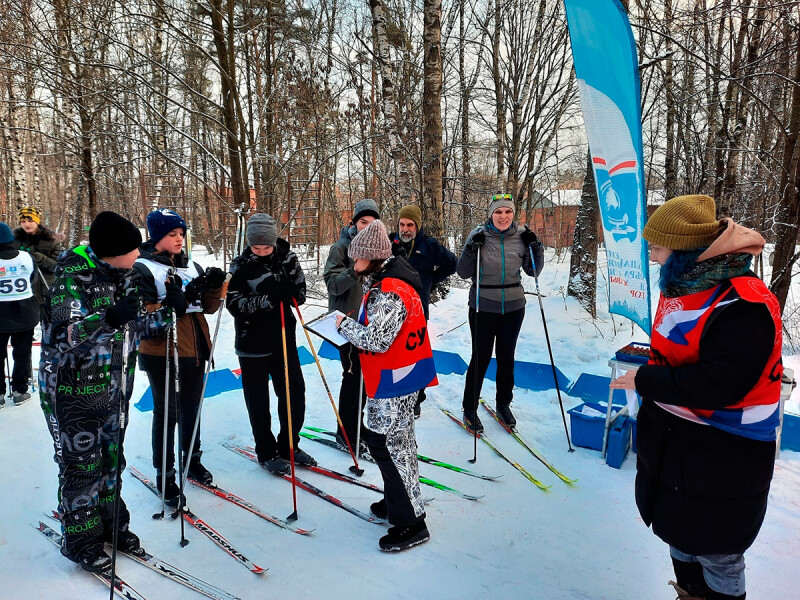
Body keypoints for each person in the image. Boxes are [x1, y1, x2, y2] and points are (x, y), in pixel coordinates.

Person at [610, 195, 782, 600]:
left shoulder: (742, 301)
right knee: (681, 535)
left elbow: (719, 384)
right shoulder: (688, 284)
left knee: (717, 551)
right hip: (676, 446)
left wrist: (646, 380)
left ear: (685, 249)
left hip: (723, 453)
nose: (651, 256)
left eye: (657, 247)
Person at [40, 211, 179, 572]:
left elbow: (136, 326)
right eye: (133, 249)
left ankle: (112, 527)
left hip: (114, 391)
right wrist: (106, 318)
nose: (139, 254)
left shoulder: (127, 274)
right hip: (72, 394)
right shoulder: (71, 275)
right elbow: (59, 337)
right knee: (81, 469)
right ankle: (82, 540)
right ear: (114, 252)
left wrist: (173, 308)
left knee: (112, 463)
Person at [335, 219, 437, 551]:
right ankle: (399, 502)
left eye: (358, 258)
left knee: (385, 444)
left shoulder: (392, 289)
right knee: (398, 444)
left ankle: (411, 523)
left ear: (374, 257)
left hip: (396, 378)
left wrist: (344, 326)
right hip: (400, 375)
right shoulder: (387, 280)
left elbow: (377, 339)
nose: (354, 264)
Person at [133, 208, 225, 505]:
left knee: (192, 409)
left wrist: (212, 287)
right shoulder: (143, 268)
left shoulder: (191, 266)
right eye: (172, 234)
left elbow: (207, 308)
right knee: (167, 412)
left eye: (181, 234)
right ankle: (165, 474)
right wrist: (176, 303)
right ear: (157, 236)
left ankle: (192, 460)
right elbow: (143, 319)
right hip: (163, 352)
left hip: (196, 348)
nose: (179, 239)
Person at [227, 213, 315, 474]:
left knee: (293, 393)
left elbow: (301, 292)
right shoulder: (240, 265)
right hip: (251, 341)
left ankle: (290, 444)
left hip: (283, 337)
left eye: (267, 246)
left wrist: (289, 291)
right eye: (257, 247)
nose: (263, 252)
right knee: (258, 401)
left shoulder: (287, 258)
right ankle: (265, 451)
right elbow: (234, 304)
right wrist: (267, 299)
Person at [456, 194, 544, 432]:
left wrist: (536, 247)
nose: (503, 216)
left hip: (514, 307)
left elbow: (532, 271)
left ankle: (503, 404)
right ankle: (470, 408)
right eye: (498, 212)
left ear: (513, 214)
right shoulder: (479, 235)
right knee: (481, 358)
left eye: (507, 212)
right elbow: (463, 272)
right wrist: (471, 249)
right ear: (491, 214)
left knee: (507, 358)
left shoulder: (522, 236)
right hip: (483, 305)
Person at [389, 204, 457, 417]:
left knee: (415, 355)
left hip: (417, 311)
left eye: (410, 225)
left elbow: (452, 264)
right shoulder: (390, 242)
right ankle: (395, 392)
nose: (405, 229)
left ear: (417, 226)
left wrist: (429, 282)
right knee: (393, 355)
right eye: (402, 224)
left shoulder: (430, 246)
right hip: (392, 310)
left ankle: (417, 398)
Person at [323, 198, 380, 450]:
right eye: (363, 222)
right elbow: (333, 285)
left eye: (372, 223)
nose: (367, 227)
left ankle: (357, 425)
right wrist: (355, 270)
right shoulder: (341, 248)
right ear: (354, 222)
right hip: (344, 323)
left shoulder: (377, 248)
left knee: (365, 378)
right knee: (352, 377)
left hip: (367, 325)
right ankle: (345, 432)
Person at [0, 222, 40, 405]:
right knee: (22, 353)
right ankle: (19, 390)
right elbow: (33, 279)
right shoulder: (25, 257)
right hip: (25, 312)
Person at [13, 206, 64, 319]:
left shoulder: (51, 241)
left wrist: (40, 258)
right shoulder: (14, 241)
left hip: (44, 290)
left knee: (46, 323)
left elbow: (58, 267)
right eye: (23, 221)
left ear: (37, 220)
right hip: (22, 290)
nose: (27, 224)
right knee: (25, 327)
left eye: (30, 220)